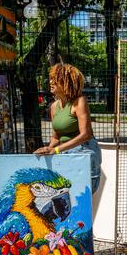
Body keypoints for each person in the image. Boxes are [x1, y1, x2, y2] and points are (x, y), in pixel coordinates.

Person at [34, 63, 102, 193]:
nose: (51, 82)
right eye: (51, 78)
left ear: (66, 82)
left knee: (82, 199)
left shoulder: (79, 102)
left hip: (84, 152)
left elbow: (85, 135)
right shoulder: (54, 107)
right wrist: (48, 148)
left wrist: (57, 150)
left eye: (55, 79)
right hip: (64, 153)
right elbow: (56, 136)